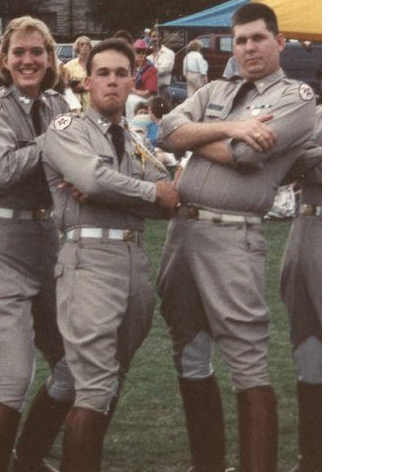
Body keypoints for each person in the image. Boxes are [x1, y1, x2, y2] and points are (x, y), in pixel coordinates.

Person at [156, 3, 317, 471]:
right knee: (187, 348)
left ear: (279, 41)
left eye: (258, 39)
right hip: (181, 233)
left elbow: (246, 155)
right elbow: (167, 130)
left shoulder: (296, 95)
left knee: (247, 362)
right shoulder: (217, 89)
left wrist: (199, 137)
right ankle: (207, 464)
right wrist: (230, 125)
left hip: (232, 235)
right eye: (240, 40)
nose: (248, 48)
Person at [41, 38, 178, 471]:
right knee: (94, 385)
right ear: (87, 82)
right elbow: (94, 178)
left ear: (133, 79)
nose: (113, 81)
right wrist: (144, 192)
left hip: (135, 259)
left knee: (113, 376)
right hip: (89, 258)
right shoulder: (67, 129)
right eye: (103, 73)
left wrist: (117, 191)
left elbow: (170, 195)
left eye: (122, 73)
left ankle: (35, 455)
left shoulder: (136, 141)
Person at [0, 16, 75, 472]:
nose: (28, 60)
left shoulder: (57, 103)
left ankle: (28, 457)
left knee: (72, 371)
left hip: (47, 245)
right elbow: (5, 170)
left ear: (50, 59)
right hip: (0, 248)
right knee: (14, 377)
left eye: (38, 52)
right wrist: (57, 140)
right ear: (5, 61)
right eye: (19, 53)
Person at [280, 105, 322, 472]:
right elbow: (282, 166)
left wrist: (311, 160)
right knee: (308, 346)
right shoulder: (316, 115)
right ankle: (311, 459)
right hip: (307, 228)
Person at [63, 36, 92, 111]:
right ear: (77, 47)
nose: (85, 46)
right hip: (75, 105)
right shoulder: (68, 66)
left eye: (87, 44)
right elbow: (64, 88)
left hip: (91, 104)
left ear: (90, 47)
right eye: (82, 44)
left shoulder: (95, 65)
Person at [149, 28, 175, 100]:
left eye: (158, 36)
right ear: (150, 38)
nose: (155, 39)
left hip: (162, 90)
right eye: (153, 36)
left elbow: (165, 69)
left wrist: (148, 72)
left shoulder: (169, 53)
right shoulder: (147, 54)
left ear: (162, 38)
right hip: (148, 91)